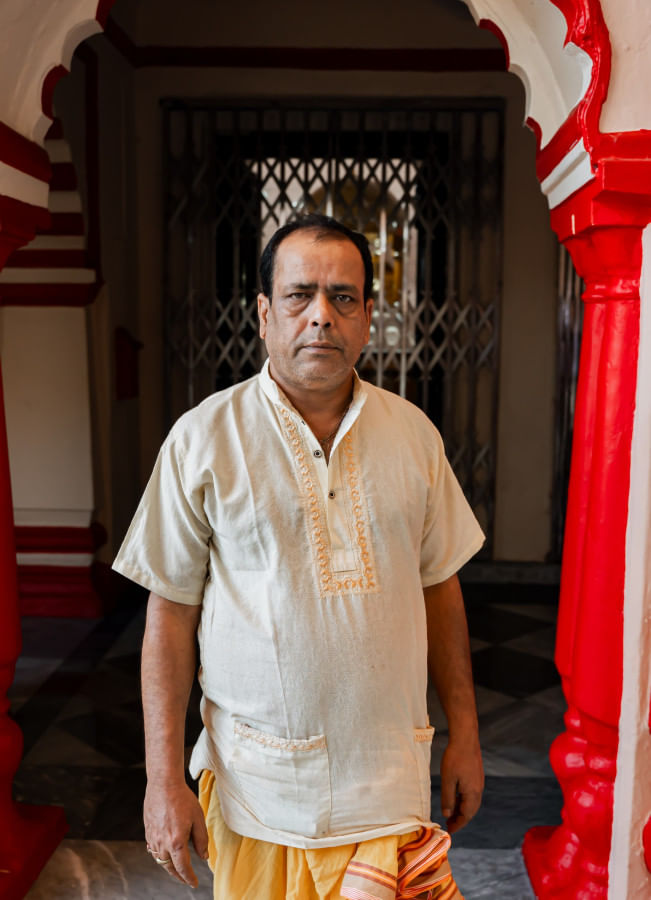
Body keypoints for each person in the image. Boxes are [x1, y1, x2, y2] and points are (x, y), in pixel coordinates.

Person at [113, 213, 485, 900]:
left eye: (343, 297)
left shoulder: (414, 437)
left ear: (367, 317)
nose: (321, 316)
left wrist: (465, 732)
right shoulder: (203, 440)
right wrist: (161, 779)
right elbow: (169, 616)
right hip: (257, 789)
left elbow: (440, 587)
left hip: (387, 787)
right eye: (299, 295)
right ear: (263, 313)